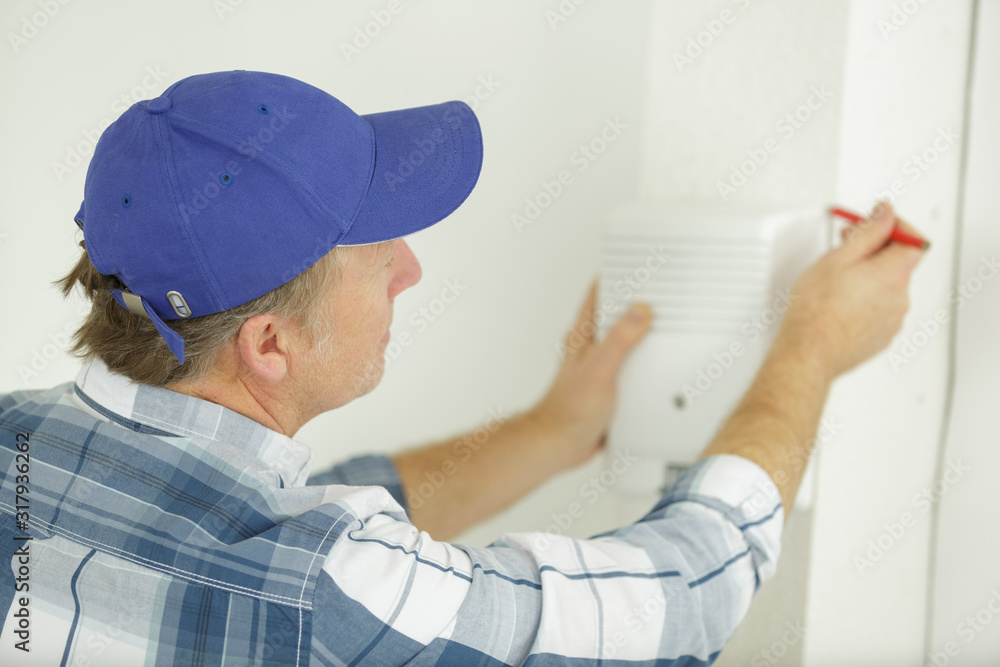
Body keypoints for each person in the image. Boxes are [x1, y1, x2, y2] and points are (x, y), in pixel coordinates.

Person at [0, 69, 924, 665]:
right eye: (371, 248)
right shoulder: (334, 590)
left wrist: (553, 432)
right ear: (269, 344)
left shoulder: (17, 440)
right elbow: (680, 604)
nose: (409, 267)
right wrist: (812, 346)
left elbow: (262, 515)